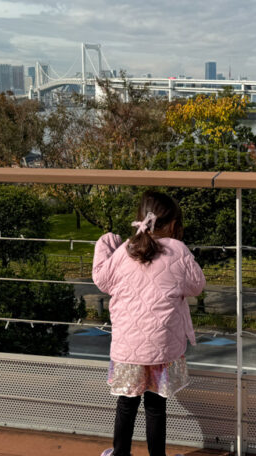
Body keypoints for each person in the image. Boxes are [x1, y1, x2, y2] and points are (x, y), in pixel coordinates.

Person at [93, 190, 206, 456]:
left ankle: (120, 453)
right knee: (156, 407)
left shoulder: (124, 251)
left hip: (127, 348)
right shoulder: (178, 251)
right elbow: (197, 286)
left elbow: (102, 280)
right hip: (162, 347)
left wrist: (104, 245)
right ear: (174, 225)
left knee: (126, 404)